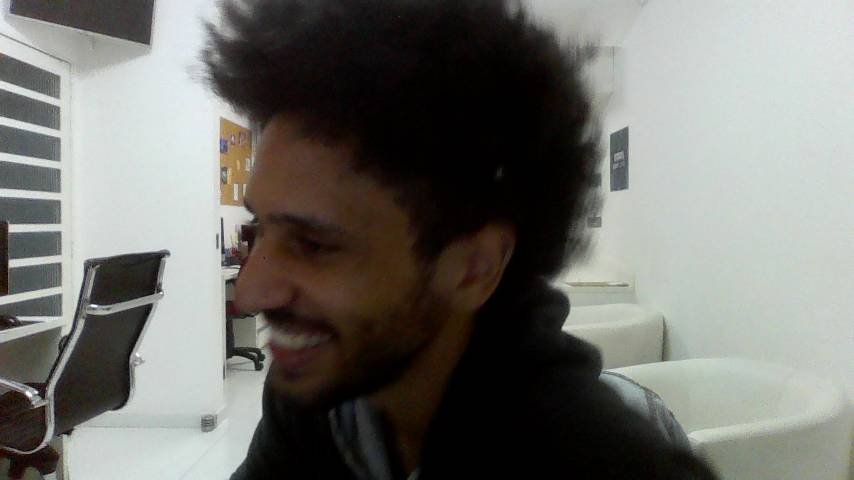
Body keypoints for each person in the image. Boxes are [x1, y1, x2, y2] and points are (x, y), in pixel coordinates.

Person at [203, 0, 717, 478]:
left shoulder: (607, 463)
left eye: (313, 244)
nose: (250, 291)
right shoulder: (321, 389)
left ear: (475, 266)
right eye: (262, 229)